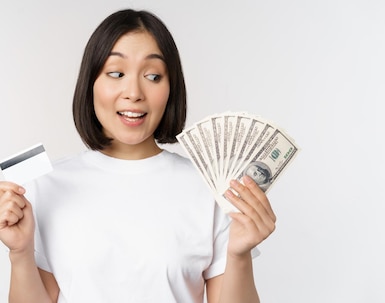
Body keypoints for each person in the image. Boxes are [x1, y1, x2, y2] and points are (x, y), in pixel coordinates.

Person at [0, 9, 276, 303]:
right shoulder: (47, 186)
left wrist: (239, 254)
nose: (133, 92)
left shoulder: (211, 189)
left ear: (171, 89)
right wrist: (20, 253)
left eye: (153, 76)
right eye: (116, 73)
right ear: (90, 82)